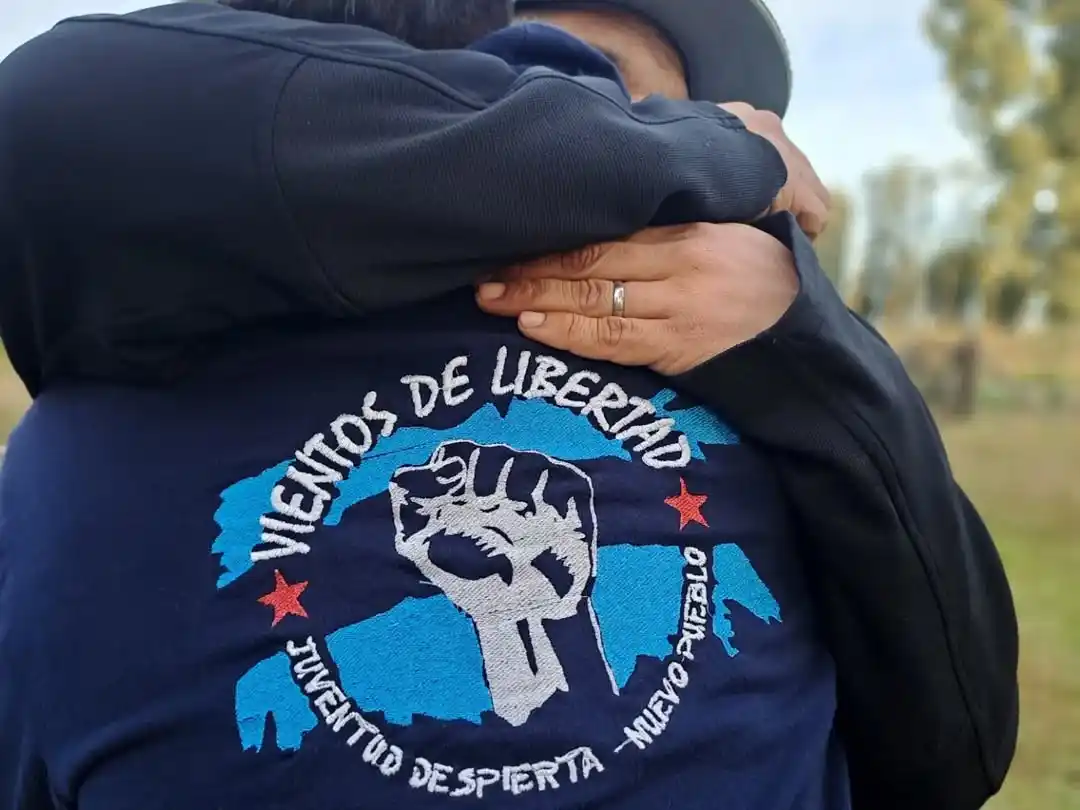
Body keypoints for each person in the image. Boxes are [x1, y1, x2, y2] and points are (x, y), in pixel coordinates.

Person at [0, 2, 1016, 809]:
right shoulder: (99, 420)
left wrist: (808, 337)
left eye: (657, 105)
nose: (614, 132)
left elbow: (952, 736)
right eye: (591, 97)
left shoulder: (79, 439)